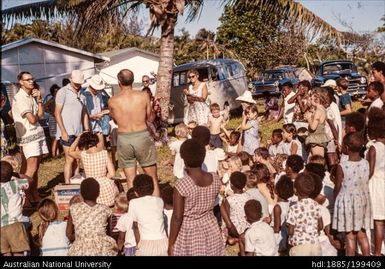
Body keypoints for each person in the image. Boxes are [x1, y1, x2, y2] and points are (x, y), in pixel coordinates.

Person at [168, 139, 224, 256]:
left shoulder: (181, 185)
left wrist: (171, 243)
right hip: (211, 227)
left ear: (183, 158)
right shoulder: (215, 178)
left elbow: (177, 217)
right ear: (203, 157)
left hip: (189, 232)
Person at [108, 69, 159, 196]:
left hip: (124, 138)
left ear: (119, 81)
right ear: (133, 80)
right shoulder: (143, 96)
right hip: (141, 135)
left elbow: (115, 120)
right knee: (152, 177)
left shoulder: (112, 101)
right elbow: (150, 118)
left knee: (130, 180)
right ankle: (158, 209)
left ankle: (134, 209)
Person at [12, 71, 48, 207]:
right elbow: (33, 119)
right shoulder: (20, 97)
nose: (31, 81)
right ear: (21, 82)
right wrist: (36, 117)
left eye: (32, 79)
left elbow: (41, 114)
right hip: (28, 136)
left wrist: (39, 99)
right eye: (28, 80)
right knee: (30, 170)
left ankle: (34, 195)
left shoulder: (31, 95)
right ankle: (24, 199)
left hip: (36, 134)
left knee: (35, 167)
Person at [333, 132, 371, 256]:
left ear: (347, 148)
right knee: (362, 234)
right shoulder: (366, 163)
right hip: (362, 202)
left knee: (350, 237)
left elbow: (338, 186)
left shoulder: (342, 166)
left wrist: (335, 199)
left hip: (347, 204)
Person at [66, 177, 117, 256]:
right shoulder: (105, 209)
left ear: (81, 193)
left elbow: (69, 234)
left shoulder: (73, 208)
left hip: (79, 251)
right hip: (102, 250)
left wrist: (82, 237)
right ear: (98, 193)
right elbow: (108, 232)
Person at [55, 70, 89, 183]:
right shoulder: (63, 92)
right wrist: (63, 132)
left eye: (80, 83)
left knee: (78, 159)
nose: (78, 85)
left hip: (78, 132)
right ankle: (67, 183)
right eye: (76, 83)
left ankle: (76, 180)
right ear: (70, 80)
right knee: (69, 158)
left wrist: (86, 129)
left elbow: (84, 113)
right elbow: (57, 113)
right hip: (67, 131)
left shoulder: (82, 94)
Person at [68, 132, 118, 207]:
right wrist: (104, 179)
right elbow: (112, 174)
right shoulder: (104, 153)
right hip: (107, 192)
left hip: (91, 189)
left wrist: (78, 138)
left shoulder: (83, 154)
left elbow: (70, 152)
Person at [126, 174, 168, 256]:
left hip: (145, 243)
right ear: (152, 189)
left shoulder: (133, 203)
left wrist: (139, 244)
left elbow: (135, 226)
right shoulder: (159, 201)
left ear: (136, 192)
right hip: (163, 242)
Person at [287, 173, 323, 256]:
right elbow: (320, 226)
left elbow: (290, 231)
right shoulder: (315, 205)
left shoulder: (294, 208)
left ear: (295, 190)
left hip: (299, 247)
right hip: (315, 245)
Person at [0, 161, 31, 256]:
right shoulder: (15, 184)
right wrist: (16, 174)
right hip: (15, 224)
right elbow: (30, 180)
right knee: (18, 251)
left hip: (1, 226)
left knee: (6, 253)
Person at [367, 108, 385, 256]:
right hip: (383, 182)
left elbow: (370, 171)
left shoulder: (374, 147)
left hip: (375, 185)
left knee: (378, 221)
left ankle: (377, 253)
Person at [80, 74, 110, 148]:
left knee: (101, 147)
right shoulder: (83, 95)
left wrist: (104, 112)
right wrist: (93, 116)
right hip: (88, 126)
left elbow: (101, 108)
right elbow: (81, 115)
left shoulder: (99, 95)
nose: (98, 90)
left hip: (98, 124)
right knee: (89, 149)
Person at [304, 88, 331, 158]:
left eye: (312, 96)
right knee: (310, 161)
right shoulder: (321, 109)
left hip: (317, 140)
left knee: (317, 162)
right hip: (315, 138)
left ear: (317, 98)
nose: (310, 98)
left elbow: (313, 127)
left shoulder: (318, 110)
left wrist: (309, 118)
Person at [272, 175, 293, 254]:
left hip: (279, 237)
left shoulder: (277, 207)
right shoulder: (290, 204)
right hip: (286, 235)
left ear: (276, 190)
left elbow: (277, 228)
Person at [116, 188, 137, 256]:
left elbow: (121, 238)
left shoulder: (123, 218)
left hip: (130, 247)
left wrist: (118, 250)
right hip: (141, 245)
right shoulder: (139, 214)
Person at [44, 84, 61, 157]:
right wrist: (52, 113)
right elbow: (45, 107)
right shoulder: (52, 99)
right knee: (54, 137)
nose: (56, 92)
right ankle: (54, 154)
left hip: (60, 118)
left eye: (58, 90)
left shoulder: (61, 99)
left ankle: (57, 153)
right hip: (53, 119)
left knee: (58, 136)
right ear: (52, 92)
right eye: (55, 91)